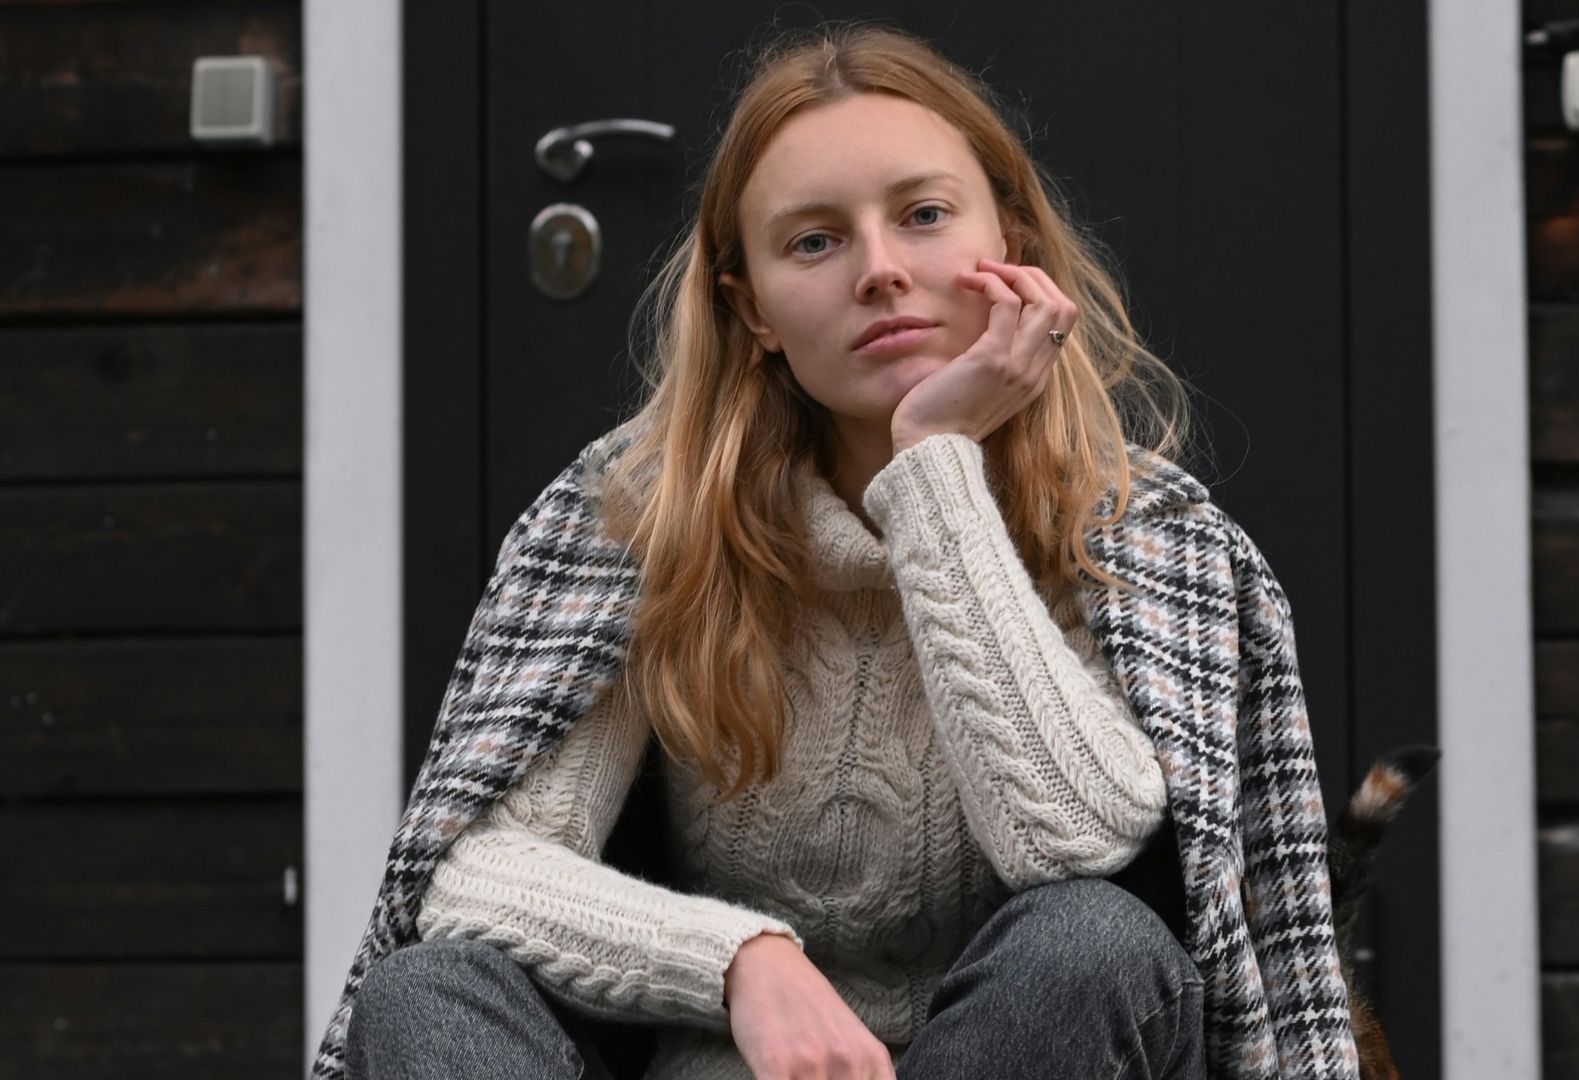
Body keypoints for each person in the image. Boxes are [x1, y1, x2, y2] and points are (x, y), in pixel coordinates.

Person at [321, 20, 1358, 1080]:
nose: (880, 271)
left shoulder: (1138, 535)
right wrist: (741, 962)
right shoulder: (639, 519)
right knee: (431, 992)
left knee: (1093, 943)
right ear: (752, 308)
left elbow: (1075, 845)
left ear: (1013, 244)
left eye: (923, 216)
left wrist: (934, 470)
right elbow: (479, 872)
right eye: (814, 241)